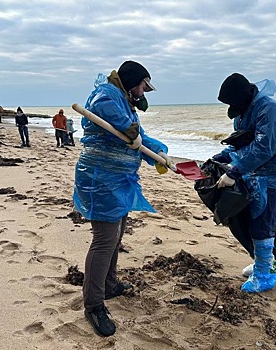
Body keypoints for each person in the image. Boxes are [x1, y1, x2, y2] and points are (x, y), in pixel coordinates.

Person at [74, 60, 171, 337]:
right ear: (132, 81)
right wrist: (131, 132)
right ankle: (93, 305)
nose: (143, 92)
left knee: (117, 235)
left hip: (119, 181)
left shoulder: (125, 100)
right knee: (104, 239)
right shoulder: (107, 94)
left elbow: (137, 137)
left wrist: (159, 152)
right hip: (99, 180)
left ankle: (109, 284)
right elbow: (111, 117)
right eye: (143, 85)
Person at [211, 73, 276, 293]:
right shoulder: (243, 112)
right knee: (248, 222)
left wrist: (235, 173)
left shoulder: (270, 110)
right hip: (252, 175)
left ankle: (264, 275)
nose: (231, 107)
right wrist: (222, 157)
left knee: (261, 225)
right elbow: (240, 142)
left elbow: (264, 148)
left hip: (274, 179)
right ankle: (264, 263)